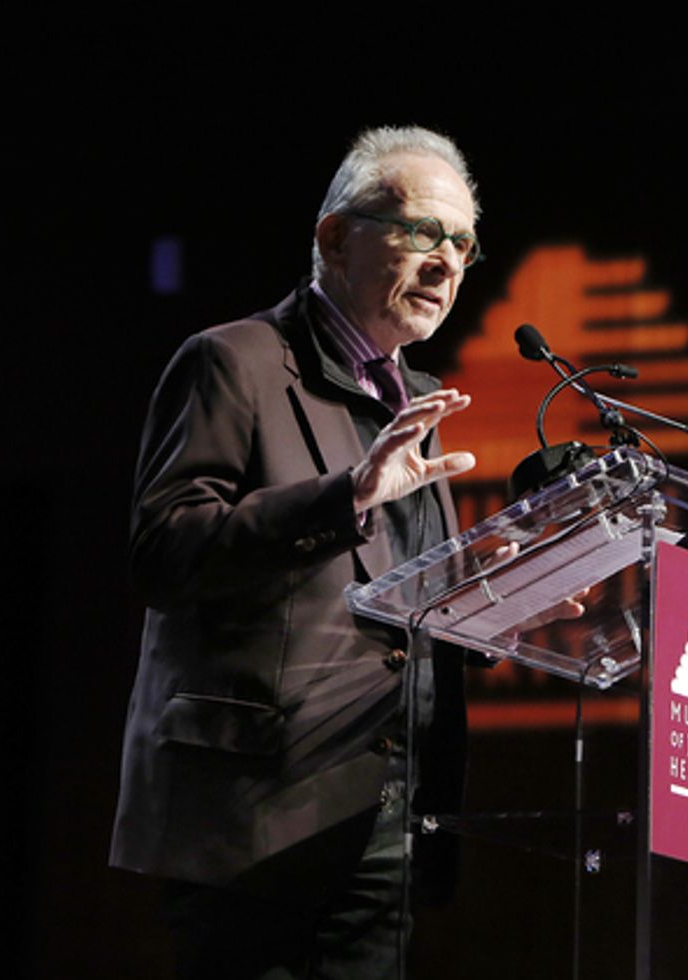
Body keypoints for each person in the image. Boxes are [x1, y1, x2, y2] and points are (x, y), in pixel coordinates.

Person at [110, 125, 486, 979]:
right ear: (334, 238)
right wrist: (347, 494)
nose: (446, 262)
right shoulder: (233, 363)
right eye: (422, 231)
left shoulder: (422, 399)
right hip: (255, 815)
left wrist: (512, 599)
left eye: (463, 243)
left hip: (388, 815)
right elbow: (163, 554)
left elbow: (414, 599)